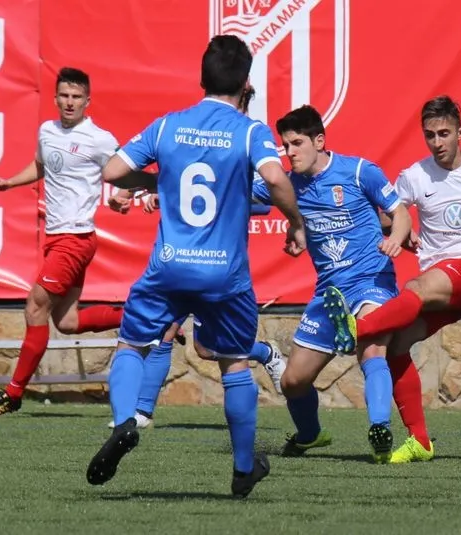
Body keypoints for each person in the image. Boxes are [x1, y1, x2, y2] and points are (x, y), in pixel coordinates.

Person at [86, 35, 305, 499]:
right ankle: (243, 469)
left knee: (132, 344)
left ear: (200, 79)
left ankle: (126, 420)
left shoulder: (167, 127)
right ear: (245, 82)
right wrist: (296, 223)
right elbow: (274, 178)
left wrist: (156, 178)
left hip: (169, 268)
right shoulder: (249, 131)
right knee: (234, 364)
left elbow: (110, 172)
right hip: (225, 275)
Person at [324, 95, 461, 463]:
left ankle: (357, 329)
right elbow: (389, 215)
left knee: (414, 289)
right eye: (430, 135)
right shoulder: (415, 177)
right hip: (442, 282)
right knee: (398, 345)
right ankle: (420, 441)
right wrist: (402, 233)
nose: (437, 142)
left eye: (444, 133)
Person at [251, 105, 413, 463]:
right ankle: (310, 435)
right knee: (293, 382)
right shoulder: (287, 184)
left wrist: (395, 240)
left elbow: (400, 214)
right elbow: (240, 192)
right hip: (329, 293)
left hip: (372, 280)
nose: (289, 152)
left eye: (296, 143)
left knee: (371, 347)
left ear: (319, 141)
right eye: (285, 145)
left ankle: (379, 431)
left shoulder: (358, 172)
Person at [0, 67, 133, 419]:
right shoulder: (47, 131)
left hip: (74, 239)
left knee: (34, 308)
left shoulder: (98, 138)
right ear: (56, 98)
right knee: (68, 321)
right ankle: (141, 314)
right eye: (64, 96)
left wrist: (123, 193)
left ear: (88, 101)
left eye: (77, 97)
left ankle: (12, 395)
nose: (70, 102)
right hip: (58, 237)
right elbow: (41, 166)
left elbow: (131, 168)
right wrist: (10, 183)